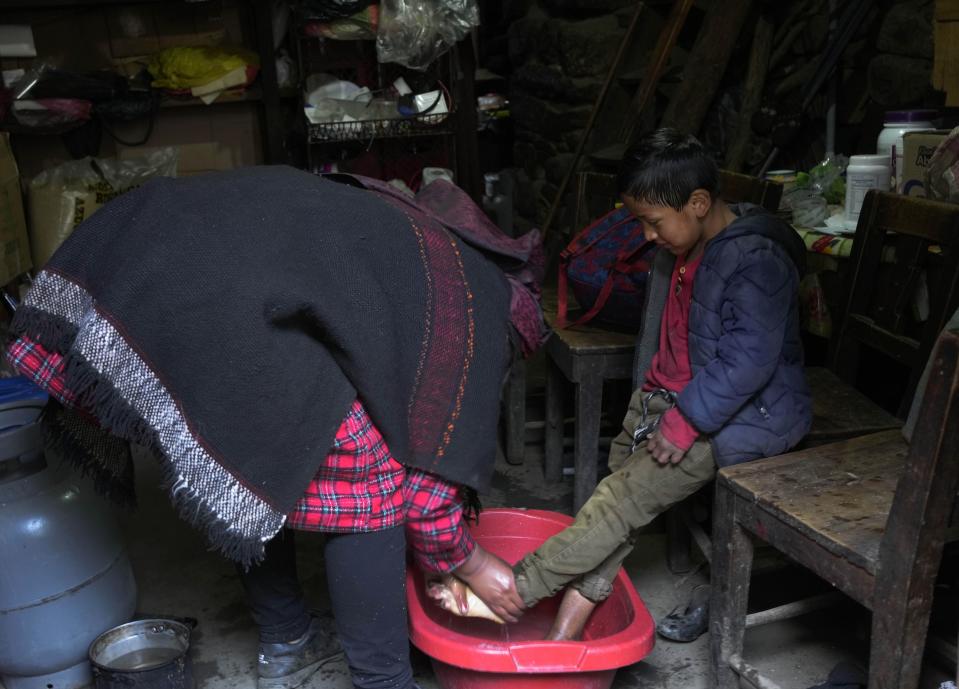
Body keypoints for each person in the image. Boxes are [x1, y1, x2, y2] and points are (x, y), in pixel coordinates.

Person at [5, 166, 538, 689]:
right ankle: (384, 680)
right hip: (201, 292)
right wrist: (470, 562)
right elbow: (427, 499)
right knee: (369, 486)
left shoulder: (418, 245)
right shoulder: (468, 328)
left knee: (253, 461)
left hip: (141, 247)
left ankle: (285, 640)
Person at [508, 127, 812, 641]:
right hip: (678, 401)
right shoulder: (686, 245)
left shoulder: (755, 261)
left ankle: (511, 592)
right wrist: (652, 402)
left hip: (742, 417)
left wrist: (685, 421)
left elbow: (747, 364)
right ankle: (565, 632)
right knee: (618, 499)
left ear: (697, 203)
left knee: (618, 504)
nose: (647, 236)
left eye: (652, 223)